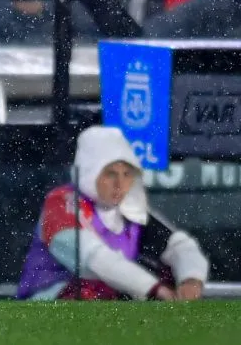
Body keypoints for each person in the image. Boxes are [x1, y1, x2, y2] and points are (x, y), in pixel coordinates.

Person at [18, 126, 208, 301]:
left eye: (127, 174)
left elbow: (180, 246)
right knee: (90, 289)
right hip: (50, 302)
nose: (120, 184)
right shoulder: (61, 203)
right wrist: (154, 289)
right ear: (89, 173)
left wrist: (191, 279)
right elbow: (93, 260)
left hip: (107, 303)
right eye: (110, 174)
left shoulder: (131, 211)